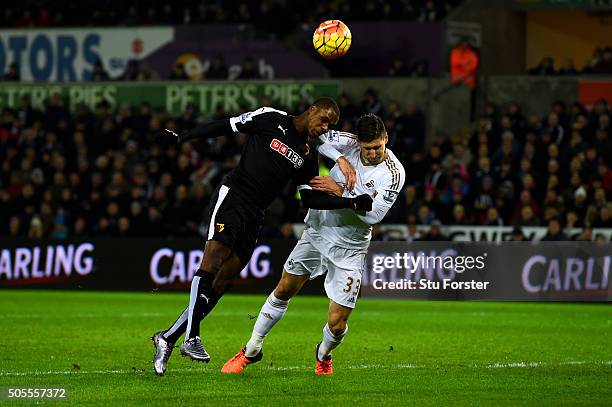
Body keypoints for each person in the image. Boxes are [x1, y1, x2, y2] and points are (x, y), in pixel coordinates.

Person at [151, 98, 369, 376]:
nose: (324, 128)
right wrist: (183, 136)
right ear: (312, 109)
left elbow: (309, 198)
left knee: (226, 278)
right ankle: (192, 336)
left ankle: (168, 338)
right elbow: (226, 125)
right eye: (324, 120)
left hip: (256, 214)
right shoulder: (270, 118)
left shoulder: (305, 152)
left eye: (330, 126)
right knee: (214, 255)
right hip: (234, 196)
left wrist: (349, 202)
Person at [221, 113, 405, 375]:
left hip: (351, 248)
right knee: (284, 289)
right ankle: (251, 349)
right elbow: (315, 136)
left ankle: (324, 353)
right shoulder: (349, 143)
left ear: (386, 138)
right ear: (359, 143)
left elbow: (373, 216)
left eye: (378, 146)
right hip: (318, 231)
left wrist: (339, 191)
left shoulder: (394, 173)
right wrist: (340, 159)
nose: (373, 153)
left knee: (338, 323)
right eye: (368, 148)